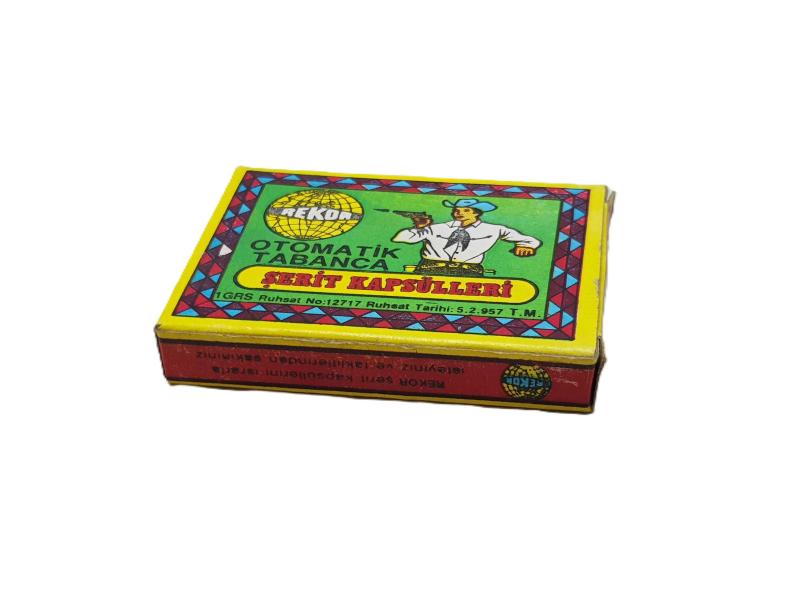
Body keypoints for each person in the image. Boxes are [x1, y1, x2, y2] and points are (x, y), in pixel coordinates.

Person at [391, 198, 541, 277]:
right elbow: (400, 238)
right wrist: (420, 227)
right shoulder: (438, 227)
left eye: (466, 210)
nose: (459, 213)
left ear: (477, 213)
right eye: (457, 210)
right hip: (430, 269)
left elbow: (530, 240)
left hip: (469, 272)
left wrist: (525, 246)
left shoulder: (495, 229)